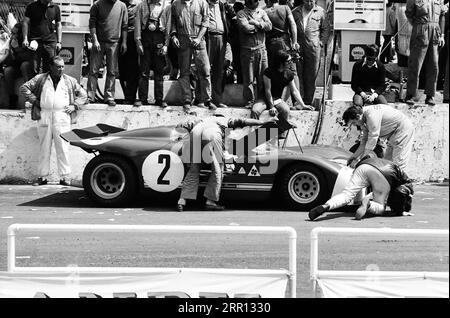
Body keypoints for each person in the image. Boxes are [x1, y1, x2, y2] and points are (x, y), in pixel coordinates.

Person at [176, 115, 278, 211]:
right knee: (217, 168)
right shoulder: (225, 120)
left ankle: (182, 200)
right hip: (211, 134)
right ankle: (210, 201)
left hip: (195, 132)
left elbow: (182, 126)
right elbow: (244, 121)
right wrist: (263, 122)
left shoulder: (202, 119)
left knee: (194, 168)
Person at [20, 56, 87, 186]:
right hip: (44, 114)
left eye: (62, 66)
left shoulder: (70, 81)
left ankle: (65, 177)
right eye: (58, 67)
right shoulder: (41, 79)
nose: (61, 69)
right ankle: (42, 176)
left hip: (62, 115)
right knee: (44, 147)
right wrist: (35, 100)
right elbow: (24, 88)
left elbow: (84, 95)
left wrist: (75, 105)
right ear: (51, 67)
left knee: (63, 147)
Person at [308, 154, 414, 221]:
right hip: (386, 173)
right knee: (381, 208)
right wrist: (401, 211)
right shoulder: (405, 183)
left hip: (364, 165)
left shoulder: (380, 159)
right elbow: (401, 193)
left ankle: (326, 206)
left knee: (346, 195)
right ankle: (368, 204)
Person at [170, 0, 216, 112]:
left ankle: (207, 99)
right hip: (183, 40)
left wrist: (199, 38)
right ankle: (187, 99)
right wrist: (174, 36)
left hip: (199, 40)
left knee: (205, 70)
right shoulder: (176, 4)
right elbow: (173, 23)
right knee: (184, 71)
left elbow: (205, 23)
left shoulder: (202, 3)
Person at [343, 104, 414, 171]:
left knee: (399, 164)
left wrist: (359, 160)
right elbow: (364, 142)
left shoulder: (371, 115)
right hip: (392, 134)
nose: (355, 125)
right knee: (387, 164)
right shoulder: (363, 120)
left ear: (358, 116)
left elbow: (372, 140)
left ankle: (402, 183)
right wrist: (353, 157)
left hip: (402, 130)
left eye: (353, 123)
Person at [404, 0, 446, 106]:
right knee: (415, 64)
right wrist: (419, 27)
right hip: (420, 30)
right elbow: (409, 14)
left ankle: (430, 96)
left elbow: (442, 15)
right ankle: (411, 94)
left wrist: (442, 35)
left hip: (435, 31)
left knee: (434, 65)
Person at [251, 50, 313, 123]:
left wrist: (303, 105)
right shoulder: (268, 72)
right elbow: (268, 91)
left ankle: (280, 133)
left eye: (291, 60)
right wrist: (271, 106)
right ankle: (256, 133)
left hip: (277, 99)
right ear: (281, 62)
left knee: (286, 110)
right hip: (264, 98)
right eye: (288, 61)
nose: (290, 63)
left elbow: (294, 90)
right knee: (255, 110)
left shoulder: (289, 74)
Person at [87, 0, 128, 107]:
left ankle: (109, 96)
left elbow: (124, 26)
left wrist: (124, 42)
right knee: (94, 70)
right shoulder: (97, 5)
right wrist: (95, 40)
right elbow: (92, 23)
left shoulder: (122, 6)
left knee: (112, 71)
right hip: (99, 42)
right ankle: (90, 96)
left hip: (114, 43)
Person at [292, 0, 330, 106]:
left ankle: (308, 101)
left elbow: (326, 29)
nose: (310, 3)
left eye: (312, 0)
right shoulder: (295, 11)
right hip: (298, 48)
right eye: (308, 1)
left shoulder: (321, 12)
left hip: (313, 48)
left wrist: (321, 42)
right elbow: (290, 28)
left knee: (311, 75)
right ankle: (298, 101)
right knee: (298, 74)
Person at [134, 0, 171, 108]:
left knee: (159, 72)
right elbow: (137, 24)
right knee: (143, 72)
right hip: (145, 40)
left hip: (159, 39)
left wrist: (166, 45)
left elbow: (168, 27)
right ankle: (142, 98)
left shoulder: (167, 6)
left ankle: (159, 99)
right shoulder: (142, 5)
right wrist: (138, 42)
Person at [237, 0, 272, 108]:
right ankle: (249, 102)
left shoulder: (262, 12)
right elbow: (246, 28)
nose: (255, 2)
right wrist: (261, 26)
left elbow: (269, 26)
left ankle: (262, 100)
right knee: (249, 79)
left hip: (262, 49)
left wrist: (256, 23)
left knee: (263, 78)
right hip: (248, 50)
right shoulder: (241, 13)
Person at [206, 0, 234, 108]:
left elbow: (233, 18)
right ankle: (203, 99)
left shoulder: (222, 5)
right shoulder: (204, 4)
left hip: (222, 37)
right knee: (205, 69)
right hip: (209, 37)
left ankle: (217, 100)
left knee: (219, 70)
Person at [22, 0, 62, 76]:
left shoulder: (56, 8)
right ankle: (35, 87)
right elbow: (25, 22)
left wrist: (59, 42)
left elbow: (58, 25)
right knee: (34, 69)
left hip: (50, 43)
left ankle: (47, 87)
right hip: (35, 42)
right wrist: (25, 38)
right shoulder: (32, 6)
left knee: (50, 70)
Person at [2, 22, 34, 108]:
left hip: (28, 69)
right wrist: (10, 50)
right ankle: (12, 99)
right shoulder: (12, 40)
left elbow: (27, 58)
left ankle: (29, 97)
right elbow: (11, 60)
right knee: (8, 71)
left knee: (24, 65)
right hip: (16, 67)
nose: (13, 35)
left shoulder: (28, 41)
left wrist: (17, 48)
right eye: (12, 32)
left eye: (15, 33)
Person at [264, 0, 299, 68]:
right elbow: (292, 23)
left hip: (271, 44)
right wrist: (295, 41)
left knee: (274, 69)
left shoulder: (265, 11)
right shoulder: (285, 8)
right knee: (289, 68)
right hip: (285, 43)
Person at [118, 0, 140, 106]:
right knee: (122, 70)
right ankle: (126, 94)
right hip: (119, 38)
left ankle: (131, 96)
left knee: (133, 69)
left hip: (133, 38)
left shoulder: (139, 4)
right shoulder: (118, 4)